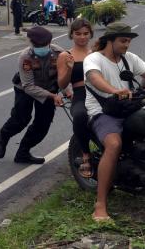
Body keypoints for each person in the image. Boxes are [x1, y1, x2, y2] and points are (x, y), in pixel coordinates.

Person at [83, 22, 145, 221]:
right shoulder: (93, 58)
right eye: (122, 41)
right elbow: (94, 78)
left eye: (128, 41)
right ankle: (100, 204)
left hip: (129, 108)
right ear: (109, 41)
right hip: (104, 112)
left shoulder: (129, 59)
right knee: (114, 144)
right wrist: (114, 90)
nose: (126, 45)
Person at [0, 26, 65, 164]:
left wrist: (66, 90)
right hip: (25, 89)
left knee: (43, 124)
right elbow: (29, 87)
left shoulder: (59, 53)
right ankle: (3, 136)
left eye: (45, 45)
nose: (42, 47)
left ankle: (23, 153)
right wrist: (53, 96)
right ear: (31, 43)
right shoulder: (25, 57)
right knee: (21, 119)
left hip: (49, 88)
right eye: (38, 45)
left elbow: (64, 75)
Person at [57, 18, 93, 177]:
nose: (82, 37)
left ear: (90, 34)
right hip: (80, 93)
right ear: (71, 35)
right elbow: (62, 83)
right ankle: (85, 154)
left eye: (85, 33)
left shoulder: (97, 53)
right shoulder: (66, 55)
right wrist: (70, 69)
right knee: (79, 116)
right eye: (78, 33)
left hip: (100, 92)